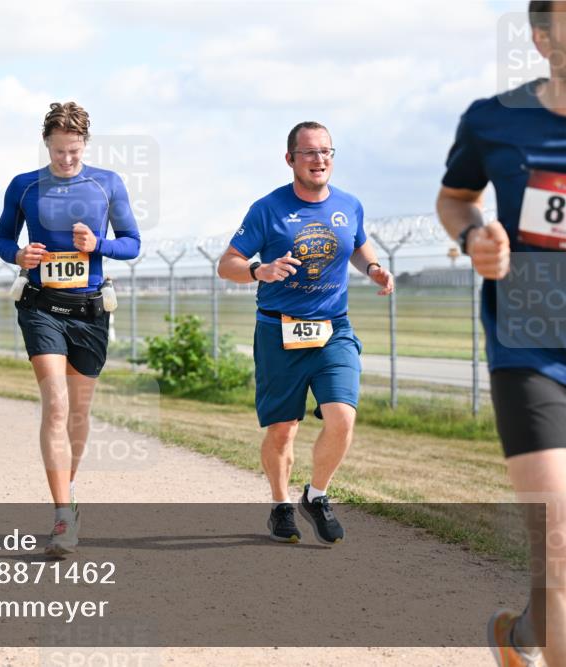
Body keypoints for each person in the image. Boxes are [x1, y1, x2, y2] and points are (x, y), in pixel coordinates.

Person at [436, 3, 566, 665]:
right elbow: (454, 197)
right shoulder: (494, 120)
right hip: (531, 351)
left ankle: (520, 637)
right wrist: (474, 234)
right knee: (560, 532)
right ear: (543, 37)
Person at [217, 121, 393, 546]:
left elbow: (356, 243)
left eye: (327, 152)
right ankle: (281, 505)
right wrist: (260, 270)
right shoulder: (268, 209)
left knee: (343, 418)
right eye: (310, 152)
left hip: (334, 330)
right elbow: (228, 264)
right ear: (291, 158)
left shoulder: (349, 205)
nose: (320, 160)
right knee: (283, 430)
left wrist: (372, 268)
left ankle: (316, 495)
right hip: (279, 332)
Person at [0, 102, 141, 556]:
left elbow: (133, 243)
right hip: (42, 306)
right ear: (47, 145)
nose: (66, 160)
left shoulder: (107, 184)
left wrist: (100, 246)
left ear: (85, 145)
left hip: (91, 309)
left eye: (74, 152)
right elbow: (2, 239)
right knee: (55, 405)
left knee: (78, 414)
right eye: (59, 152)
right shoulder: (23, 186)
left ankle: (68, 492)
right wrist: (18, 256)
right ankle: (61, 515)